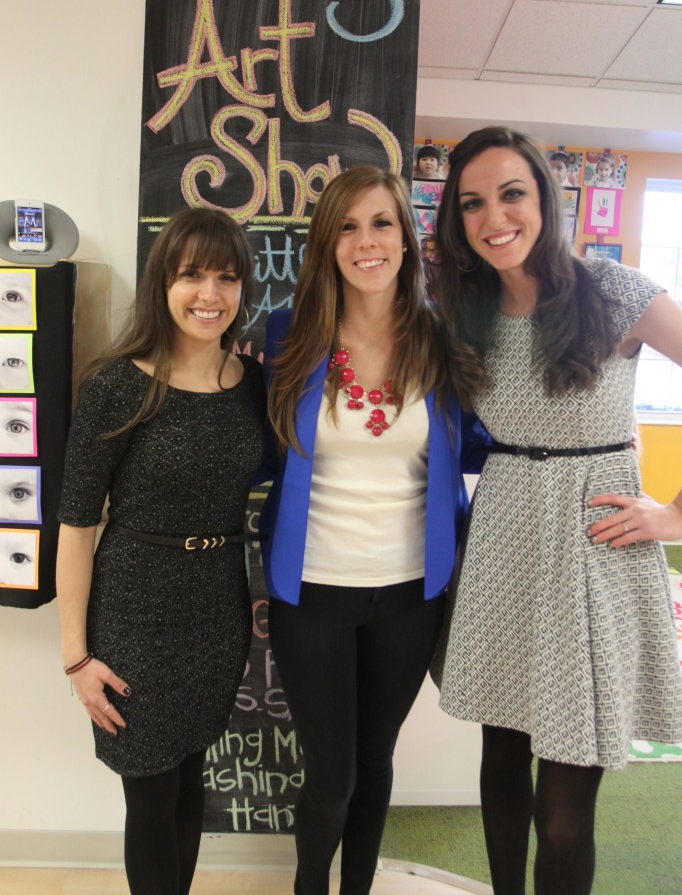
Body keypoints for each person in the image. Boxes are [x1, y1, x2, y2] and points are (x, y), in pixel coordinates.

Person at [434, 126, 682, 895]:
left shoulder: (614, 291)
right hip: (506, 532)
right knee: (502, 761)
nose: (494, 217)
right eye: (473, 203)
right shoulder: (464, 311)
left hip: (594, 542)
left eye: (512, 193)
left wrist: (677, 515)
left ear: (545, 198)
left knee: (567, 813)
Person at [261, 165, 488, 895]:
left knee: (375, 759)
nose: (367, 242)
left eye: (382, 223)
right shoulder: (288, 336)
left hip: (410, 595)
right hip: (311, 592)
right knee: (330, 775)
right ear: (327, 244)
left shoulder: (443, 340)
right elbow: (254, 447)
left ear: (407, 237)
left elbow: (489, 441)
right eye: (348, 226)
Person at [56, 208, 265, 895]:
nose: (210, 294)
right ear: (163, 283)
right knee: (149, 795)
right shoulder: (116, 385)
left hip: (217, 613)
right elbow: (77, 525)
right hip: (134, 618)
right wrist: (76, 656)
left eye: (226, 277)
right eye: (192, 275)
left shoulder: (252, 385)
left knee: (190, 776)